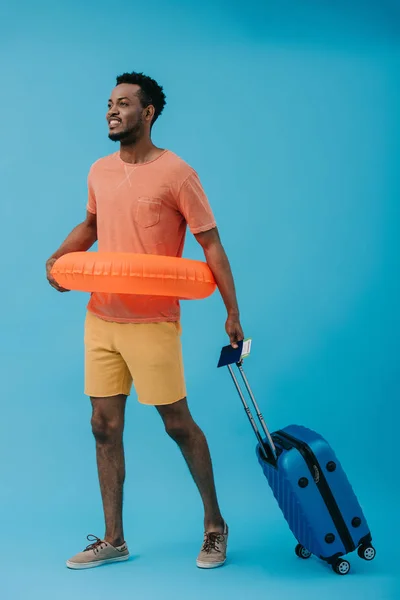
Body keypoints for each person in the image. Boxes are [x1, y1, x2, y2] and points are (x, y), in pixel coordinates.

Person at [46, 71, 244, 571]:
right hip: (101, 318)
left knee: (177, 424)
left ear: (148, 113)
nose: (112, 111)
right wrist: (60, 258)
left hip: (153, 321)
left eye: (124, 104)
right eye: (109, 104)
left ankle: (215, 527)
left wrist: (232, 311)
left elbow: (210, 242)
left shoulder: (177, 173)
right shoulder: (99, 170)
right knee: (102, 426)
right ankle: (114, 539)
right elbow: (92, 225)